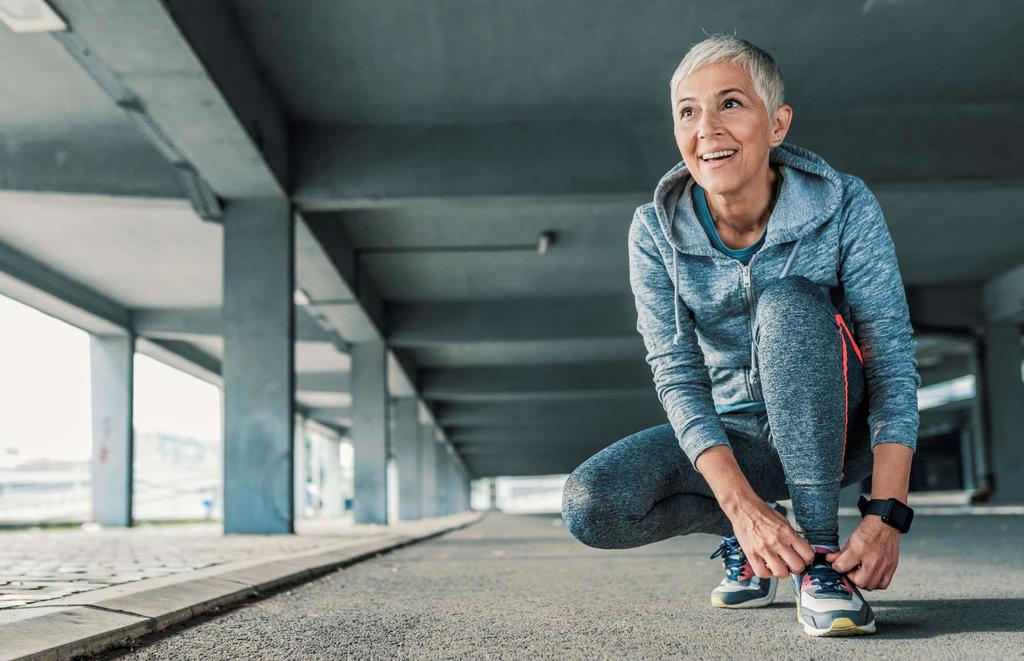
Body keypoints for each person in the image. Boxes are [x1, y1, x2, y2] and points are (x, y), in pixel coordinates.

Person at [560, 34, 920, 637]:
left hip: (837, 429)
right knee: (593, 506)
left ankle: (823, 564)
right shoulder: (655, 231)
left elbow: (890, 357)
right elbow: (676, 370)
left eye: (730, 104)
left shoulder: (844, 204)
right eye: (688, 111)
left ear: (777, 124)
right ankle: (757, 539)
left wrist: (887, 514)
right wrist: (743, 510)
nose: (707, 129)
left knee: (786, 303)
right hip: (738, 443)